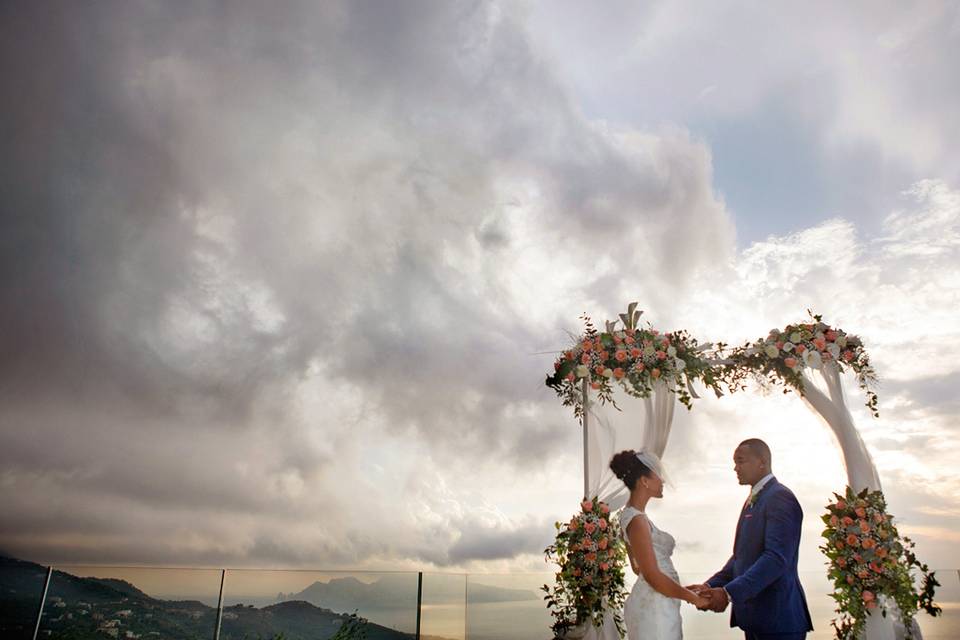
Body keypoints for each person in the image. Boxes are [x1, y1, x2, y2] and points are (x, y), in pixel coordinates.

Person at [686, 438, 814, 640]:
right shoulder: (753, 499)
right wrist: (709, 586)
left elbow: (776, 558)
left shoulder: (780, 497)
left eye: (740, 461)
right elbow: (741, 557)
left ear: (762, 462)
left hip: (779, 620)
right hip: (754, 620)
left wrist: (728, 594)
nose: (735, 468)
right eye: (735, 462)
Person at [610, 450, 710, 640]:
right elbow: (651, 575)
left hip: (658, 600)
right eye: (658, 475)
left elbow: (638, 568)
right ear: (644, 481)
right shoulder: (637, 521)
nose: (663, 480)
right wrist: (694, 599)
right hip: (655, 608)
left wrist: (682, 590)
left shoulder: (630, 516)